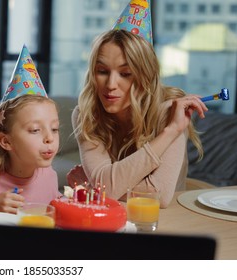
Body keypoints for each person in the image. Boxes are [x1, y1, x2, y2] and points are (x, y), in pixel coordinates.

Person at [67, 29, 206, 208]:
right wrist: (104, 186)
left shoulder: (170, 113)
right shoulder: (86, 114)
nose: (110, 85)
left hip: (166, 221)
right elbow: (107, 189)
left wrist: (170, 131)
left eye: (125, 74)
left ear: (145, 76)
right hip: (111, 218)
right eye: (102, 71)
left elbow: (160, 196)